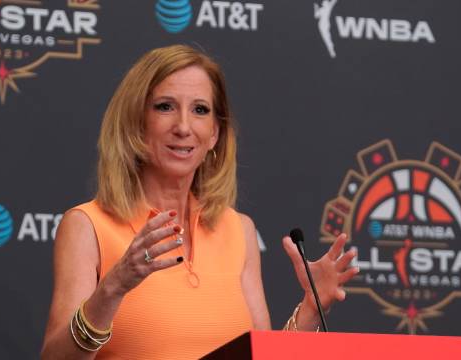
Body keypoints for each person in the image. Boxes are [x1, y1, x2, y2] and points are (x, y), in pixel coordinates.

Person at [40, 44, 359, 359]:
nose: (183, 127)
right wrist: (113, 288)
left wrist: (311, 308)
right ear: (136, 121)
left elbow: (261, 357)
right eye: (164, 106)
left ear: (215, 134)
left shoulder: (239, 230)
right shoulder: (87, 226)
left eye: (200, 110)